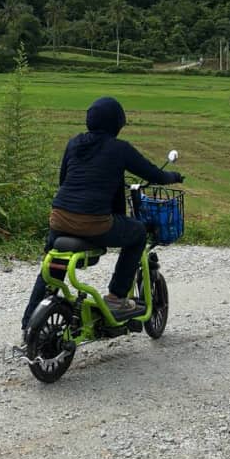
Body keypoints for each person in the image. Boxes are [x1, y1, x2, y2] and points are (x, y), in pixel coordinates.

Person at [21, 96, 183, 333]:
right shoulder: (120, 149)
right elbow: (154, 174)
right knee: (137, 232)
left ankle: (29, 323)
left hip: (59, 217)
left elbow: (64, 180)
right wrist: (174, 177)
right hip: (93, 223)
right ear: (116, 123)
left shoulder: (74, 143)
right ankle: (117, 297)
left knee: (53, 264)